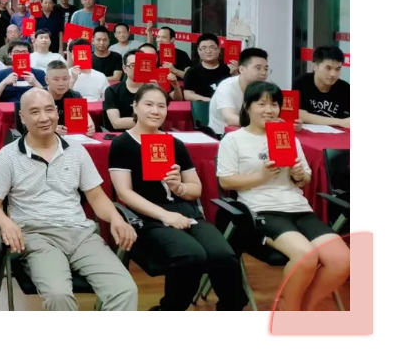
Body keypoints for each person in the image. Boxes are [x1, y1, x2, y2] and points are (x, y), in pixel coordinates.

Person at [0, 88, 138, 311]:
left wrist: (116, 218)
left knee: (124, 289)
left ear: (57, 112)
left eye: (49, 110)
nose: (44, 118)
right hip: (37, 236)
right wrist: (6, 223)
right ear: (22, 117)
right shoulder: (8, 156)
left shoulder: (77, 151)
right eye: (34, 112)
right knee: (58, 295)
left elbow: (96, 196)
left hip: (81, 234)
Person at [109, 84, 247, 311]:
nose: (155, 111)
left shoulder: (175, 144)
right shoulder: (122, 144)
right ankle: (170, 311)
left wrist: (179, 187)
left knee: (224, 256)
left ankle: (230, 310)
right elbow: (125, 193)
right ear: (135, 106)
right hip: (147, 218)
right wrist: (165, 215)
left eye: (161, 106)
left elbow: (196, 189)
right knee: (191, 256)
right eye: (149, 104)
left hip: (187, 214)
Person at [217, 82, 350, 311]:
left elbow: (305, 178)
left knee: (342, 260)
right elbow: (226, 181)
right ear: (247, 106)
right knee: (305, 256)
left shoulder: (288, 137)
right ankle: (289, 307)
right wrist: (260, 176)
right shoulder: (234, 139)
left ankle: (302, 309)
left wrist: (299, 175)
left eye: (274, 105)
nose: (269, 110)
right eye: (262, 104)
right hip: (262, 209)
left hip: (298, 208)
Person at [208, 48, 270, 136]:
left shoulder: (265, 87)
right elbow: (230, 118)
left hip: (252, 132)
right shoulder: (227, 86)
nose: (263, 73)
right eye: (258, 68)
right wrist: (260, 122)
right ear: (241, 69)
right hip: (223, 135)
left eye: (266, 69)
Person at [293, 45, 350, 128]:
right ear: (315, 66)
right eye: (328, 68)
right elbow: (299, 114)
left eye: (338, 69)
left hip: (336, 134)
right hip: (306, 133)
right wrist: (340, 122)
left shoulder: (345, 88)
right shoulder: (301, 83)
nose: (333, 74)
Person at [43, 60, 96, 137]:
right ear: (47, 80)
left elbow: (88, 122)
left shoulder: (75, 96)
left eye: (65, 79)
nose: (61, 83)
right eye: (56, 79)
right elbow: (30, 125)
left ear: (69, 78)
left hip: (72, 138)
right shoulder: (38, 98)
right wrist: (50, 129)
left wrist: (90, 128)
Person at [0, 40, 47, 106]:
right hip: (9, 109)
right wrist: (4, 82)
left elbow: (48, 98)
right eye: (16, 52)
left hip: (33, 107)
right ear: (10, 55)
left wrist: (35, 82)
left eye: (24, 52)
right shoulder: (1, 74)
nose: (20, 54)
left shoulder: (39, 73)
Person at [183, 34, 234, 102]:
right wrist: (210, 101)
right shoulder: (192, 72)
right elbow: (188, 95)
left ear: (219, 49)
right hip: (203, 106)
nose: (208, 51)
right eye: (204, 48)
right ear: (198, 51)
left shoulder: (229, 69)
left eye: (212, 47)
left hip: (227, 105)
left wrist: (235, 74)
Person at [66, 38, 110, 102]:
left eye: (84, 51)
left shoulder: (100, 76)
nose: (80, 54)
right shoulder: (66, 74)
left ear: (89, 53)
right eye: (75, 52)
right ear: (71, 54)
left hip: (95, 107)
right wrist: (72, 80)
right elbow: (63, 97)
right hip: (75, 106)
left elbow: (108, 97)